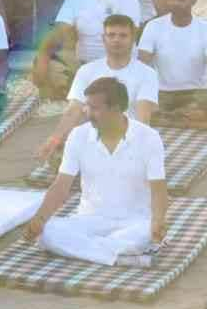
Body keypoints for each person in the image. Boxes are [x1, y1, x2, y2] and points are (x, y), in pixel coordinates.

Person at [25, 78, 167, 267]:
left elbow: (158, 189)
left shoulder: (148, 137)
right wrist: (39, 219)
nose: (87, 113)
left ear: (116, 109)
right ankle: (121, 258)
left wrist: (157, 221)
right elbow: (61, 186)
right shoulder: (78, 136)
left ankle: (98, 252)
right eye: (87, 106)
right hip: (90, 220)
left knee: (144, 234)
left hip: (135, 221)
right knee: (47, 233)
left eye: (94, 108)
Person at [38, 14, 158, 165]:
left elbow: (143, 117)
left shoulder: (147, 74)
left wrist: (137, 149)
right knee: (59, 156)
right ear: (103, 38)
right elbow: (73, 110)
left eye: (123, 35)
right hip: (92, 137)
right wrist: (55, 139)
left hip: (126, 138)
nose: (116, 40)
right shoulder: (87, 70)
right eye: (111, 35)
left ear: (133, 39)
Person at [32, 0, 141, 101]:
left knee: (112, 97)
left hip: (118, 66)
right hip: (84, 66)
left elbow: (131, 39)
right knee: (46, 64)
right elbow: (57, 34)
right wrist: (43, 58)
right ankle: (69, 98)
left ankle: (92, 96)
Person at [138, 0, 207, 126]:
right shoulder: (154, 27)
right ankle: (184, 122)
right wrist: (142, 97)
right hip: (162, 93)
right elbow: (142, 66)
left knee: (198, 115)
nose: (175, 3)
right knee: (145, 112)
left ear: (193, 0)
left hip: (196, 94)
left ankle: (174, 120)